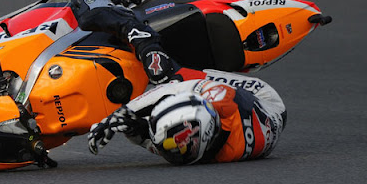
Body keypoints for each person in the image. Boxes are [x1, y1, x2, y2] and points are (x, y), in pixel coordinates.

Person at [87, 67, 286, 164]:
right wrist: (124, 112)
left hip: (252, 118)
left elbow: (166, 146)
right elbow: (169, 90)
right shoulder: (224, 100)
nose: (171, 152)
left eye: (172, 147)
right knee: (177, 75)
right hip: (265, 97)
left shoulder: (223, 152)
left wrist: (135, 131)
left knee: (171, 84)